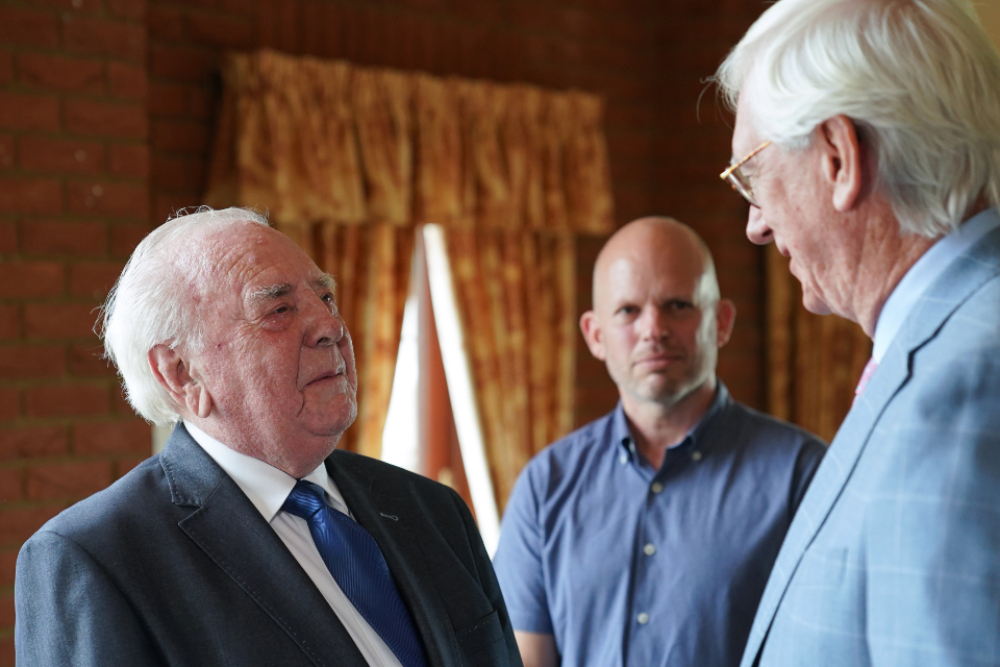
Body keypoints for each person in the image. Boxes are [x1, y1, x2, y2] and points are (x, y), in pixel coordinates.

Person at [14, 207, 521, 667]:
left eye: (325, 297)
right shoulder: (96, 559)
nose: (331, 326)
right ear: (182, 374)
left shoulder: (431, 510)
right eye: (278, 310)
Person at [713, 1, 1000, 665]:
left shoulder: (963, 391)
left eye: (752, 174)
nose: (755, 224)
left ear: (840, 157)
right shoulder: (945, 348)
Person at [492, 216, 826, 667]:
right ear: (595, 335)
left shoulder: (803, 475)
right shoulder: (545, 486)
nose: (654, 328)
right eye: (628, 310)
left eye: (678, 305)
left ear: (722, 321)